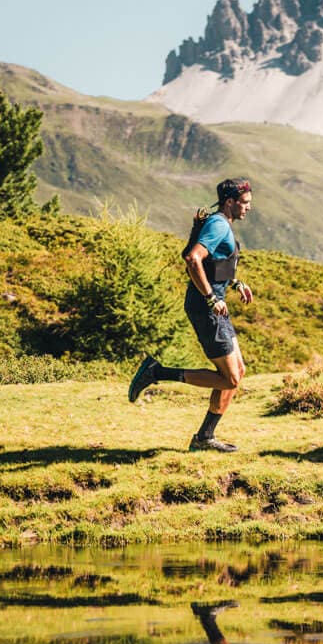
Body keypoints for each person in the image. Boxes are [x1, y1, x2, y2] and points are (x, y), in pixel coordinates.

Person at [128, 177, 255, 453]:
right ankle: (156, 371)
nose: (248, 208)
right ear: (230, 202)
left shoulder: (221, 224)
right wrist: (211, 298)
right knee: (230, 379)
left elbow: (215, 264)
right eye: (244, 203)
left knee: (238, 372)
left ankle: (205, 438)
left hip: (215, 305)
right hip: (207, 308)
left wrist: (235, 284)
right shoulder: (219, 224)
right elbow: (193, 259)